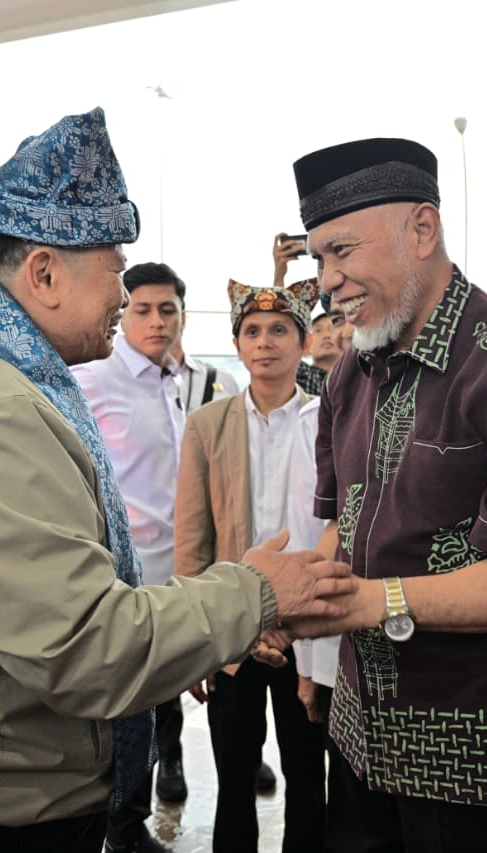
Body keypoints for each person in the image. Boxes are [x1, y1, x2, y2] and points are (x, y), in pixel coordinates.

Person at [0, 108, 353, 853]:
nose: (120, 296)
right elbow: (83, 647)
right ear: (43, 272)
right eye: (112, 270)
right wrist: (256, 590)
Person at [275, 137, 487, 852]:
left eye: (342, 251)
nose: (326, 281)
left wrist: (368, 602)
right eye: (317, 259)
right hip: (362, 732)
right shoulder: (349, 372)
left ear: (421, 230)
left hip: (482, 747)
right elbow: (344, 523)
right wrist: (293, 593)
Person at [175, 278, 330, 853]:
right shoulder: (208, 425)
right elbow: (193, 537)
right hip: (233, 631)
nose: (265, 342)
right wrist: (196, 636)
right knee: (234, 780)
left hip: (306, 630)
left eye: (280, 330)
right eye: (252, 331)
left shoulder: (327, 421)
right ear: (237, 345)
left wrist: (295, 621)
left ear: (304, 340)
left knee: (308, 779)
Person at [72, 260, 186, 852]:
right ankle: (124, 822)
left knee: (169, 685)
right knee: (128, 701)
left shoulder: (177, 382)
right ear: (123, 311)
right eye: (142, 309)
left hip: (176, 562)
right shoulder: (95, 378)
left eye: (168, 309)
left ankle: (170, 765)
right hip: (123, 568)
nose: (156, 321)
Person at [295, 297, 345, 395]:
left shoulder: (361, 379)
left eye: (332, 328)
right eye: (318, 330)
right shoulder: (299, 374)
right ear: (306, 344)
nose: (326, 335)